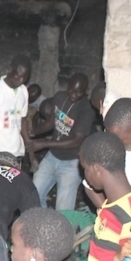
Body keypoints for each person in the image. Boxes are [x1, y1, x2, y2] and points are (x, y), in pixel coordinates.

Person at [79, 132, 131, 261]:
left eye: (85, 169)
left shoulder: (129, 216)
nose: (84, 174)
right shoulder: (111, 205)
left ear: (96, 169)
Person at [29, 73, 96, 210]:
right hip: (53, 155)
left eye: (78, 92)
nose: (73, 94)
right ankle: (42, 221)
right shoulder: (60, 97)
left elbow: (77, 141)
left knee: (63, 209)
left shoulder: (86, 110)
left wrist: (44, 143)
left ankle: (60, 224)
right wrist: (35, 131)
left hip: (72, 162)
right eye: (71, 90)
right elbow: (51, 122)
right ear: (68, 86)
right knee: (33, 196)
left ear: (85, 91)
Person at [0, 55, 34, 168]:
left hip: (17, 152)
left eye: (24, 78)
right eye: (18, 76)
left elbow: (23, 122)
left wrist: (31, 154)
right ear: (9, 69)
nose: (20, 81)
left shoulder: (23, 91)